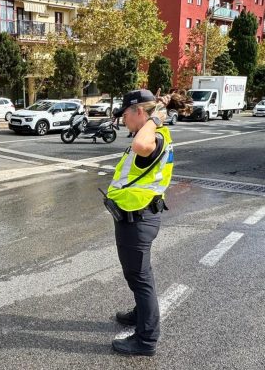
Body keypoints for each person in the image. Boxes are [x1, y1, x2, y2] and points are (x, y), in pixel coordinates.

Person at [107, 89, 174, 356]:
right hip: (139, 215)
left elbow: (140, 147)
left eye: (125, 114)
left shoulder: (152, 137)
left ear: (138, 112)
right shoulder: (151, 134)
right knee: (138, 273)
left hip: (138, 218)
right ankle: (139, 314)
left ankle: (146, 339)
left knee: (140, 276)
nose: (123, 119)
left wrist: (155, 119)